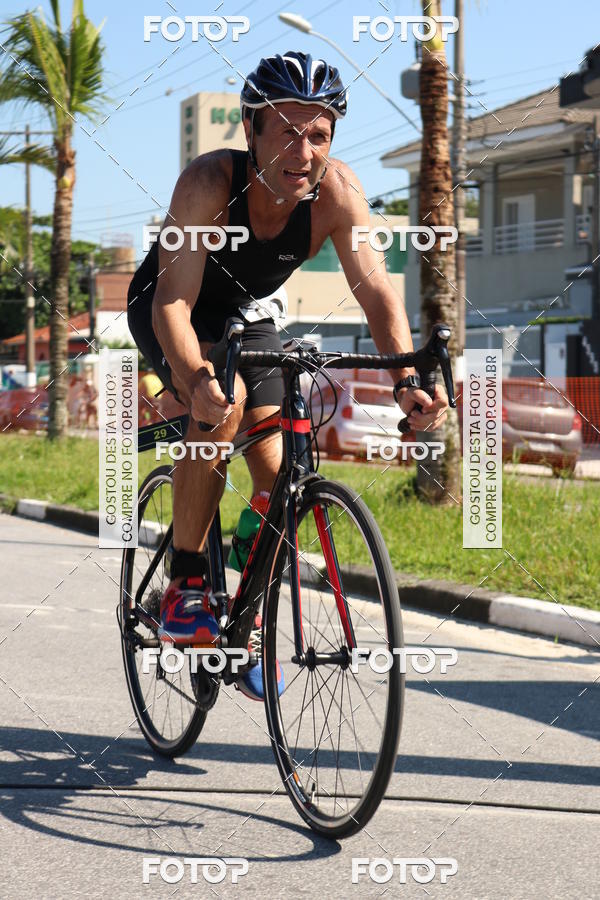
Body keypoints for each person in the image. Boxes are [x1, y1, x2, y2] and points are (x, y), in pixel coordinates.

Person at [127, 51, 448, 701]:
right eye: (287, 131)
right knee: (223, 405)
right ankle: (187, 584)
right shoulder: (208, 185)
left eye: (320, 133)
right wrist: (194, 379)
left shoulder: (337, 193)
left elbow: (378, 291)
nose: (304, 151)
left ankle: (242, 619)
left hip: (244, 317)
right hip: (172, 309)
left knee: (277, 477)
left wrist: (408, 378)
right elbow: (172, 305)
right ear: (250, 131)